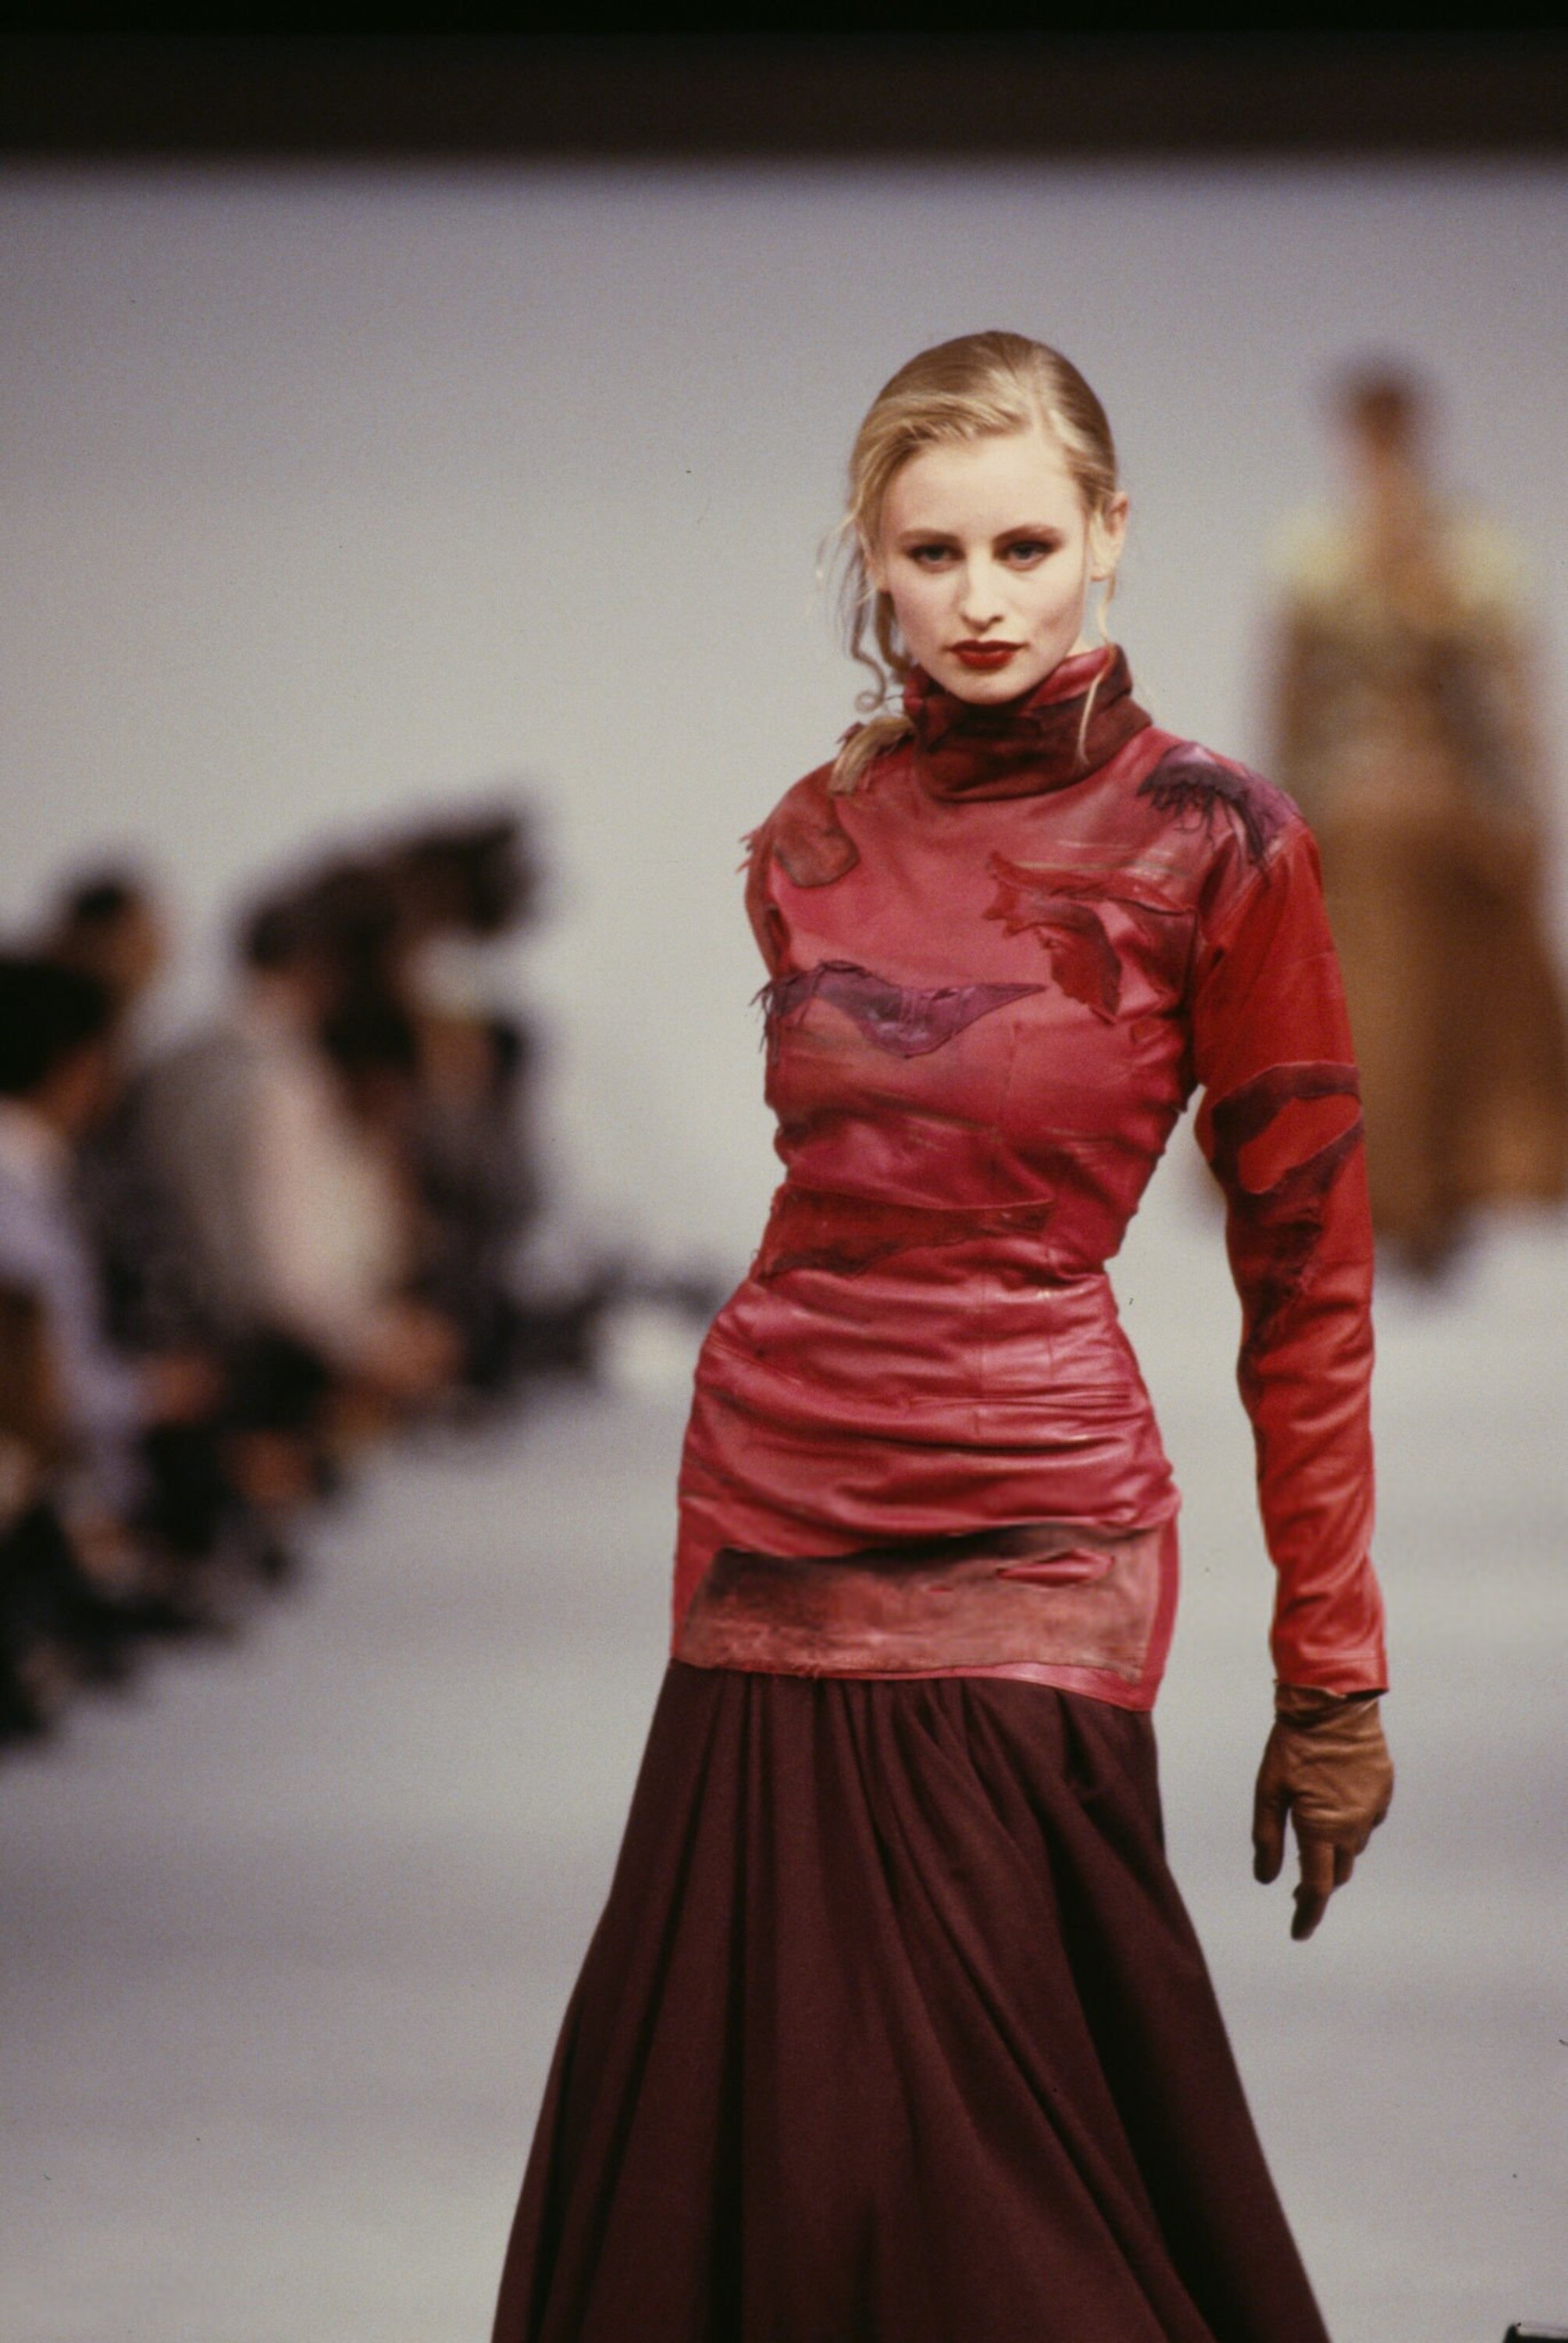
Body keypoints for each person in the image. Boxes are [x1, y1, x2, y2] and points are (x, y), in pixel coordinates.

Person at [493, 333, 1393, 2343]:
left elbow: (1305, 1280)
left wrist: (1327, 1670)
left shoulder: (1217, 842)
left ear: (1108, 535)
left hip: (1033, 1526)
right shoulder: (806, 837)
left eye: (1022, 545)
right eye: (931, 552)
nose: (979, 598)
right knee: (770, 2129)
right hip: (768, 1515)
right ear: (870, 559)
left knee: (1000, 2164)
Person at [1270, 363, 1568, 1275]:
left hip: (1403, 811)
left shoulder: (1386, 553)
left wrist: (1523, 809)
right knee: (1385, 1000)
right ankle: (1396, 1192)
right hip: (1390, 809)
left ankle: (1426, 1187)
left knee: (1416, 997)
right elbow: (1293, 703)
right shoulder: (1361, 553)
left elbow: (1296, 706)